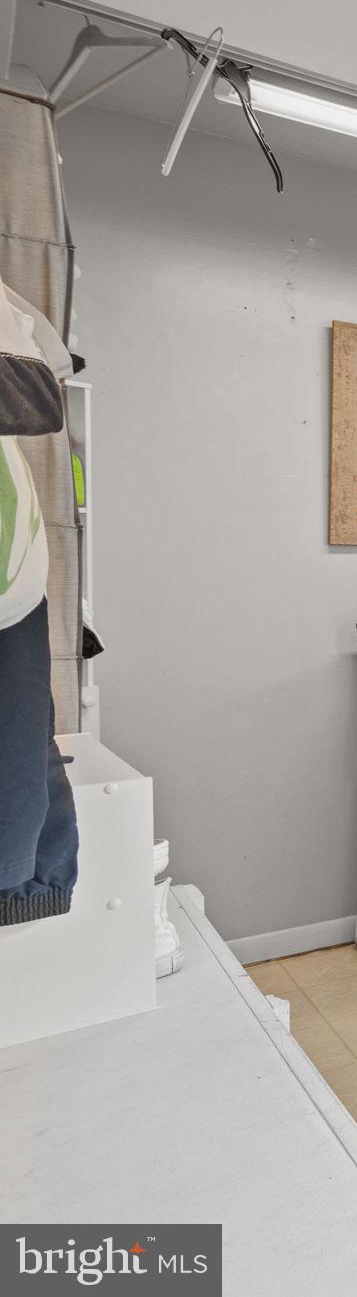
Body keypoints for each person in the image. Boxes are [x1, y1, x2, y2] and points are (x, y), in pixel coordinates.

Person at [0, 287, 77, 926]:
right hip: (14, 588)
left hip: (12, 586)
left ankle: (21, 882)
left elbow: (41, 393)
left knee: (21, 730)